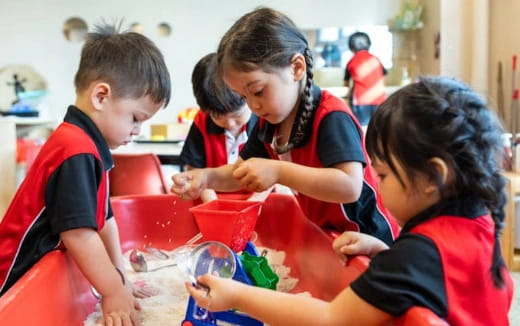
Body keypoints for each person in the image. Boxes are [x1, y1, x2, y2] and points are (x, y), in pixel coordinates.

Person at [185, 76, 514, 326]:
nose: (378, 187)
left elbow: (330, 319)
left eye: (382, 176)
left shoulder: (415, 258)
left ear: (432, 177)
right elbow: (447, 289)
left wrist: (236, 295)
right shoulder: (479, 222)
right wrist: (386, 251)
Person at [172, 7, 398, 245]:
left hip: (371, 238)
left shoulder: (330, 117)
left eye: (258, 91)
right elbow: (240, 173)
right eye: (244, 97)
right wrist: (206, 177)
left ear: (297, 68)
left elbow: (349, 186)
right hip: (331, 236)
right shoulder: (269, 124)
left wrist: (278, 172)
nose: (253, 105)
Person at [0, 23, 171, 326]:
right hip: (11, 278)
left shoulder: (90, 144)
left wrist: (120, 279)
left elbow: (104, 219)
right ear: (101, 96)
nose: (137, 130)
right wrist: (112, 292)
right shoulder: (75, 147)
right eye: (135, 118)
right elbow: (78, 233)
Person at [180, 52, 257, 202]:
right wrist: (213, 204)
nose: (229, 124)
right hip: (212, 198)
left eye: (236, 116)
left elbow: (273, 170)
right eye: (218, 118)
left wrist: (255, 202)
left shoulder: (264, 120)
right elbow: (194, 169)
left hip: (259, 199)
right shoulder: (201, 122)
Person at [344, 31, 387, 126]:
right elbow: (384, 76)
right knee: (378, 127)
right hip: (379, 99)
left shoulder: (351, 61)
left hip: (361, 101)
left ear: (351, 47)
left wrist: (350, 92)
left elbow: (345, 83)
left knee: (362, 128)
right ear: (369, 44)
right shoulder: (376, 59)